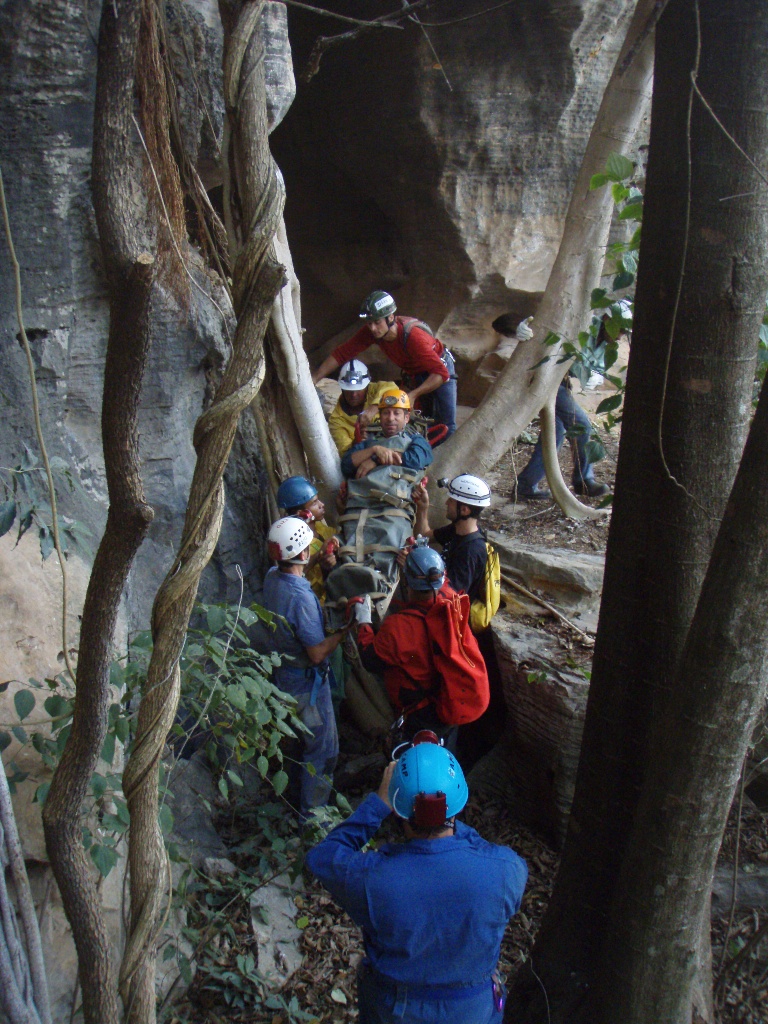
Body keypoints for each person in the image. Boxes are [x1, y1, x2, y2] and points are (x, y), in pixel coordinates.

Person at [305, 735, 528, 1024]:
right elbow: (479, 849)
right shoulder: (506, 870)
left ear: (398, 810)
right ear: (458, 804)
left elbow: (322, 856)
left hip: (396, 1010)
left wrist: (378, 803)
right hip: (474, 1012)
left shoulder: (372, 878)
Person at [349, 541, 489, 747]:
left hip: (420, 712)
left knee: (415, 761)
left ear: (406, 582)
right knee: (446, 748)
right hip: (451, 698)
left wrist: (364, 623)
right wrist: (420, 557)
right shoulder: (452, 600)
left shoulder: (399, 626)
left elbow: (370, 660)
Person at [261, 517, 346, 823]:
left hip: (282, 678)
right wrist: (347, 628)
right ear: (302, 551)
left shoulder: (273, 577)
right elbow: (316, 652)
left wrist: (312, 564)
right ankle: (313, 822)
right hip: (306, 689)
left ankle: (293, 800)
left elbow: (293, 574)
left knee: (297, 744)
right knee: (322, 751)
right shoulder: (300, 599)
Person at [312, 290, 457, 439]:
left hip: (439, 370)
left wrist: (413, 394)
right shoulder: (372, 333)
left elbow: (441, 373)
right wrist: (314, 378)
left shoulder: (413, 337)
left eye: (377, 322)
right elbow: (342, 353)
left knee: (446, 426)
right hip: (416, 374)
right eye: (369, 323)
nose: (373, 328)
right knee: (421, 425)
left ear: (391, 318)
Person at [513, 317, 610, 500]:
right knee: (581, 426)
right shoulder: (586, 322)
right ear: (608, 320)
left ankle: (525, 486)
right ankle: (583, 480)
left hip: (561, 384)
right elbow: (507, 321)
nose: (621, 336)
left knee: (554, 435)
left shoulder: (605, 344)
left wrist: (594, 375)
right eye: (620, 330)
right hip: (548, 380)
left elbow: (591, 369)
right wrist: (517, 326)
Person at [410, 473, 491, 602]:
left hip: (446, 613)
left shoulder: (471, 551)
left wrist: (414, 568)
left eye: (451, 501)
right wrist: (423, 507)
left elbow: (448, 597)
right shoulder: (456, 530)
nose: (446, 503)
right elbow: (423, 535)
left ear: (464, 510)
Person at [340, 389, 433, 481]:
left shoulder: (416, 439)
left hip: (398, 494)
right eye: (386, 413)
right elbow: (346, 465)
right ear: (380, 417)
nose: (390, 418)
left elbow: (415, 460)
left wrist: (376, 460)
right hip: (363, 494)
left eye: (396, 413)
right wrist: (374, 450)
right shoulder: (370, 440)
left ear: (406, 418)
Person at [276, 476, 337, 602]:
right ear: (302, 513)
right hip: (317, 602)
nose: (322, 505)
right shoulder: (294, 542)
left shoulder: (319, 527)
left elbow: (337, 536)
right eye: (314, 503)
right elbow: (294, 574)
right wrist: (320, 553)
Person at [327, 359, 398, 456]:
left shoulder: (374, 390)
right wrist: (358, 440)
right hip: (367, 456)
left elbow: (392, 389)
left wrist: (374, 407)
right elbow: (346, 454)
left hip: (394, 443)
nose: (354, 395)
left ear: (366, 387)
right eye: (349, 390)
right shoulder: (336, 420)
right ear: (342, 389)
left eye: (358, 390)